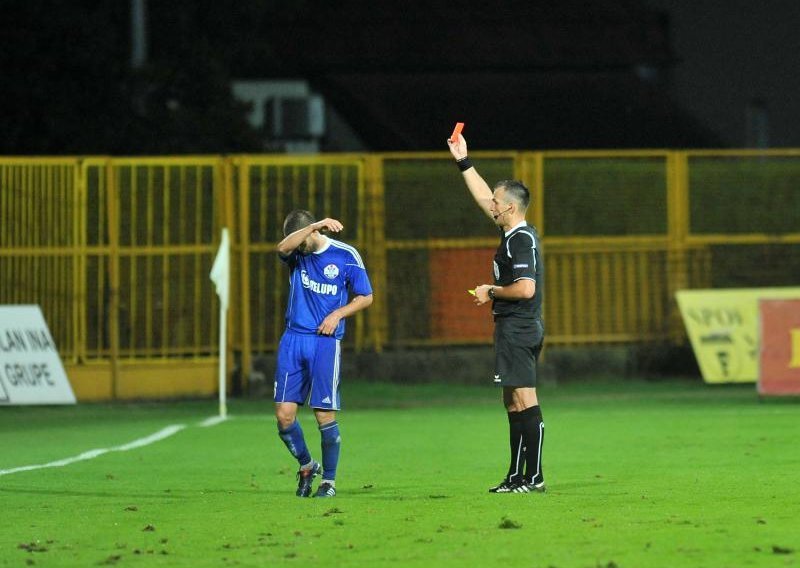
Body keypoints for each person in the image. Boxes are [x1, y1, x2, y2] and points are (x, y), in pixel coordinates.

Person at [447, 133, 546, 494]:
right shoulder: (512, 232)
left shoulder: (520, 239)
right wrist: (463, 161)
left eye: (498, 203)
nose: (492, 205)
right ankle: (516, 476)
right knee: (512, 401)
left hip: (520, 326)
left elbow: (526, 288)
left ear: (511, 209)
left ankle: (534, 478)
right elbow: (481, 194)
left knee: (524, 399)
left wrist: (492, 291)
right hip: (509, 327)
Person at [274, 209, 373, 498]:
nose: (298, 247)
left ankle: (328, 481)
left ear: (316, 235)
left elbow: (366, 296)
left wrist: (339, 314)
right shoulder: (296, 253)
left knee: (323, 415)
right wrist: (313, 225)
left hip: (324, 344)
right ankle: (307, 465)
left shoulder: (346, 255)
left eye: (304, 238)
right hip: (293, 339)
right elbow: (283, 247)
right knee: (284, 417)